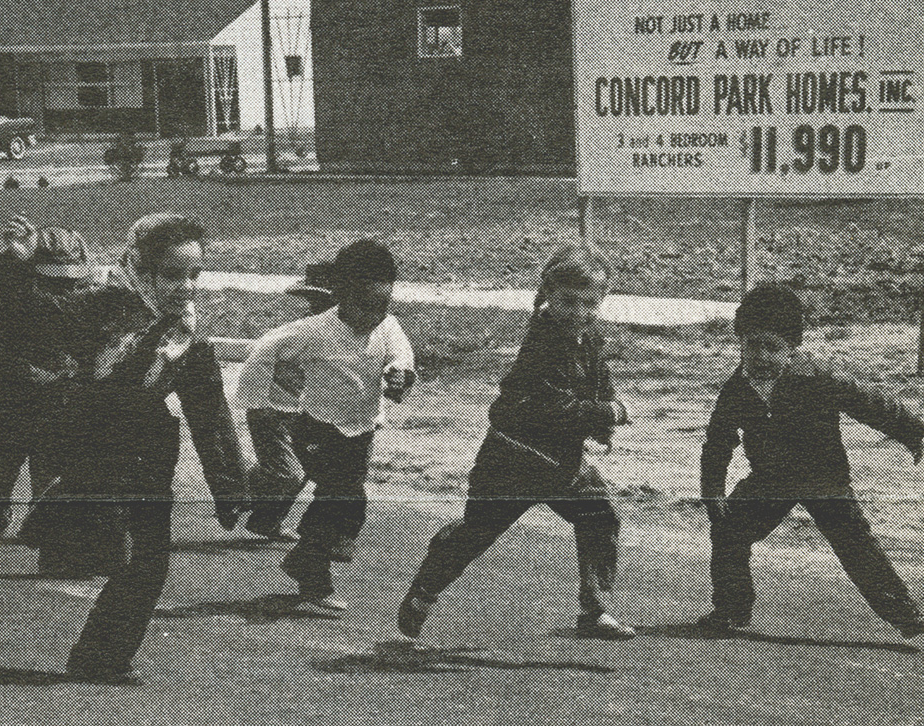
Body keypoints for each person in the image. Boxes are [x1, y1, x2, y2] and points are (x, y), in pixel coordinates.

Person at [18, 213, 249, 685]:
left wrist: (229, 488)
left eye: (193, 275)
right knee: (105, 546)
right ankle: (60, 523)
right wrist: (18, 266)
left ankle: (101, 657)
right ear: (139, 269)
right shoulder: (100, 307)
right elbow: (32, 322)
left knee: (149, 564)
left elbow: (209, 410)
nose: (184, 287)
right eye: (172, 276)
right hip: (89, 441)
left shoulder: (184, 335)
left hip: (146, 449)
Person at [397, 246, 633, 642]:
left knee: (598, 516)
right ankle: (425, 591)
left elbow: (597, 378)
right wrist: (607, 414)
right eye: (568, 302)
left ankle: (595, 608)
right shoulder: (543, 344)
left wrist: (604, 415)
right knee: (479, 530)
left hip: (559, 459)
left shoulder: (587, 336)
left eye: (590, 304)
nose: (579, 312)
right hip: (513, 458)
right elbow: (556, 408)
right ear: (547, 296)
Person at [697, 283, 924, 638]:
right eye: (752, 345)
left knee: (856, 544)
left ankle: (904, 614)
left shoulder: (817, 377)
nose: (761, 355)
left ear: (792, 349)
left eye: (772, 347)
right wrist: (713, 491)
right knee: (729, 530)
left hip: (823, 478)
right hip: (770, 480)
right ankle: (730, 610)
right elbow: (718, 442)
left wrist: (909, 430)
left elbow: (866, 401)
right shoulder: (736, 389)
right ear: (741, 342)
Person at [236, 240, 415, 616]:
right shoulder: (313, 331)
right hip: (317, 428)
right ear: (341, 295)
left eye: (382, 305)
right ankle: (313, 564)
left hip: (360, 429)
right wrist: (263, 399)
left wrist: (400, 374)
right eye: (364, 306)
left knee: (345, 501)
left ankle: (312, 553)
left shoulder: (388, 326)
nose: (374, 316)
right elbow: (266, 350)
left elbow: (402, 355)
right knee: (343, 497)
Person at [0, 217, 93, 564]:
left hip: (52, 402)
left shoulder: (79, 307)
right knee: (1, 474)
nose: (62, 290)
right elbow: (7, 282)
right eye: (52, 282)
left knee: (45, 475)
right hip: (10, 401)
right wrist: (16, 256)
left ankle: (52, 545)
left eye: (70, 283)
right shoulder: (16, 304)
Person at [236, 260, 337, 542]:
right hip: (272, 410)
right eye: (317, 300)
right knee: (290, 474)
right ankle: (240, 480)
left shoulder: (338, 333)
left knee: (306, 465)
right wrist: (255, 398)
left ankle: (266, 520)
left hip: (299, 409)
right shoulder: (303, 330)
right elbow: (259, 352)